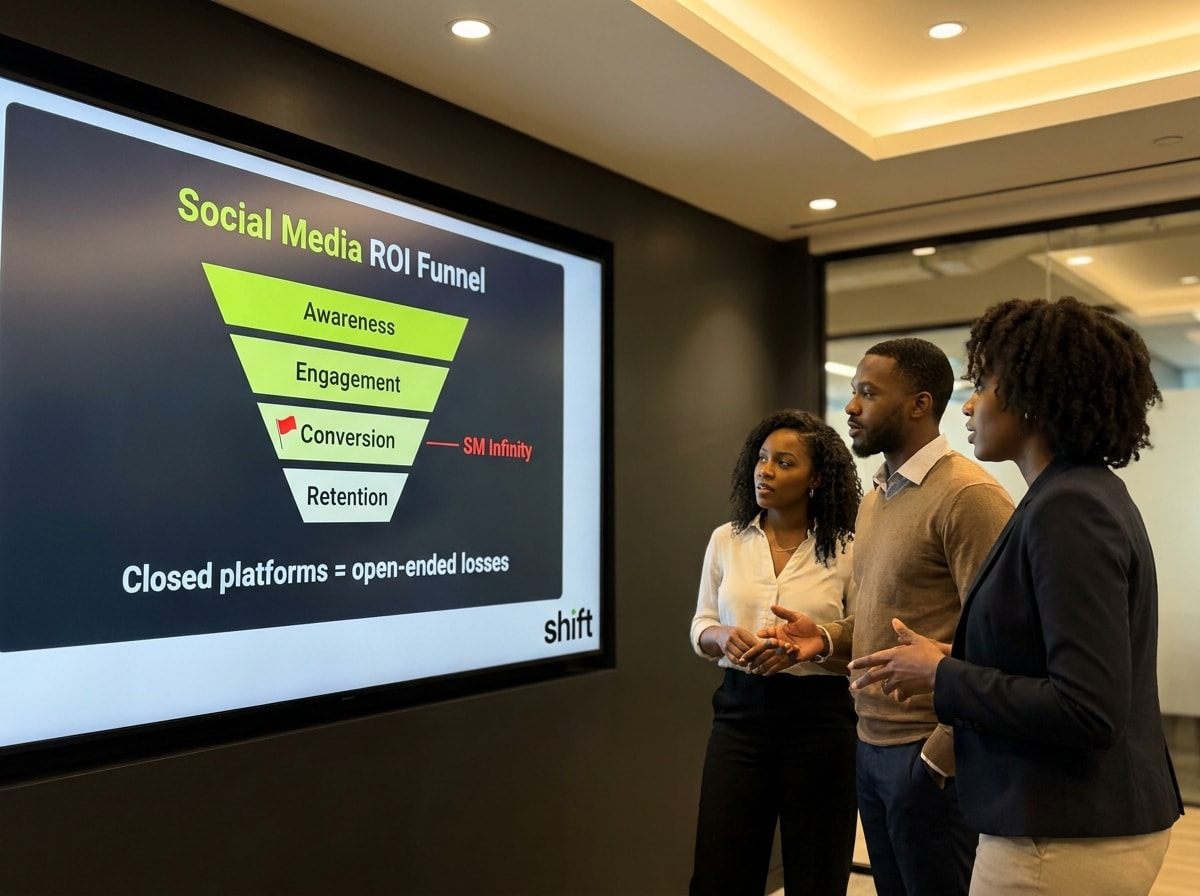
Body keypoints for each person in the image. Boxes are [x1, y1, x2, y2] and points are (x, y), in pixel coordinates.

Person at [847, 298, 1184, 896]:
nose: (968, 405)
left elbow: (1087, 707)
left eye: (983, 386)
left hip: (1063, 829)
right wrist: (948, 657)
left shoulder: (1069, 507)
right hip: (1058, 820)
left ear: (1032, 396)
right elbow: (1044, 657)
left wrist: (945, 675)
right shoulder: (1066, 496)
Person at [759, 337, 1013, 896]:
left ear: (920, 404)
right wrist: (825, 640)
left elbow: (1004, 645)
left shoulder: (969, 496)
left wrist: (938, 756)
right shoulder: (876, 499)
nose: (851, 407)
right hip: (870, 747)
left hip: (929, 756)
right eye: (854, 392)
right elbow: (888, 623)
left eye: (868, 394)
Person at [688, 410, 861, 896]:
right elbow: (700, 624)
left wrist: (812, 647)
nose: (765, 471)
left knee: (817, 875)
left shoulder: (848, 549)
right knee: (720, 873)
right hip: (739, 717)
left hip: (821, 722)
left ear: (816, 478)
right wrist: (722, 636)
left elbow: (864, 637)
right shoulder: (726, 539)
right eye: (762, 459)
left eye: (784, 463)